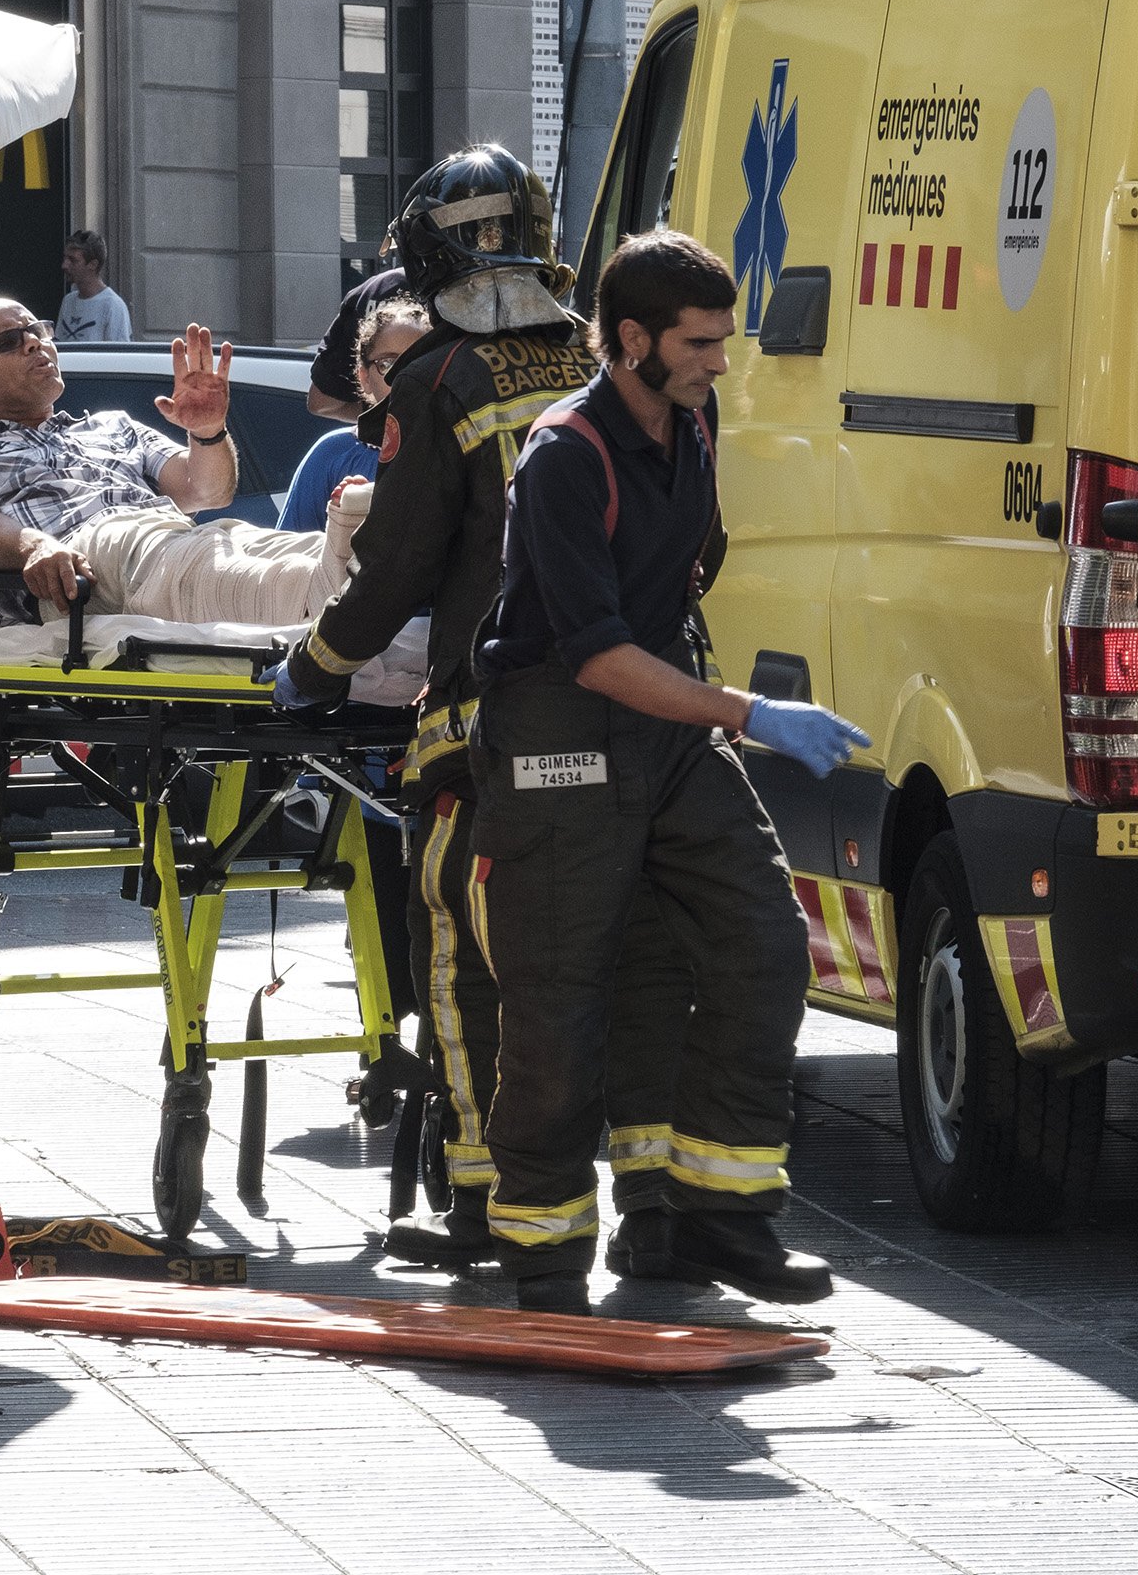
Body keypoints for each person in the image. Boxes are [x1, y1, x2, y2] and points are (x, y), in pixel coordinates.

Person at [475, 231, 866, 1313]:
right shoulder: (563, 454)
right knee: (560, 997)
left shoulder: (692, 421)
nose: (720, 362)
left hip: (662, 727)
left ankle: (710, 1218)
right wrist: (750, 712)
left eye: (723, 340)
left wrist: (707, 704)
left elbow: (699, 554)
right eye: (700, 343)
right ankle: (545, 1248)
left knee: (763, 939)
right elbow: (594, 652)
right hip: (563, 726)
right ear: (632, 337)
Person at [269, 147, 599, 1267]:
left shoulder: (440, 380)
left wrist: (313, 667)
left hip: (491, 720)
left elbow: (398, 563)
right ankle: (664, 1212)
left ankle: (478, 1203)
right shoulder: (603, 361)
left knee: (466, 955)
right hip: (638, 711)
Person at [0, 304, 352, 625]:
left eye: (38, 330)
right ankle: (332, 597)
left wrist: (208, 432)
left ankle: (358, 568)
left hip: (168, 545)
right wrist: (38, 548)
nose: (34, 343)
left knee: (243, 542)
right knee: (163, 549)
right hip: (79, 569)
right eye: (9, 342)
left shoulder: (113, 426)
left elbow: (209, 491)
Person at [278, 298, 428, 531]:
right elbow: (291, 552)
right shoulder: (333, 454)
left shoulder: (464, 447)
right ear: (364, 377)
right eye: (388, 364)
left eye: (417, 361)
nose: (402, 375)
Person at [305, 263, 408, 421]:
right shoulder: (370, 292)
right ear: (364, 376)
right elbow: (320, 402)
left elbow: (321, 403)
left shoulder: (372, 290)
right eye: (387, 365)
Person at [55, 229, 132, 342]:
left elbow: (118, 355)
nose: (65, 265)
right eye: (65, 258)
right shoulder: (68, 301)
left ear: (93, 264)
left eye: (73, 260)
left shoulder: (112, 305)